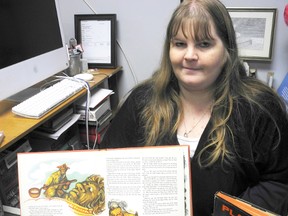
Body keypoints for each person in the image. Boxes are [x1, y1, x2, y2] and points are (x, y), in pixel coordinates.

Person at [100, 0, 288, 215]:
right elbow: (108, 167)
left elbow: (279, 182)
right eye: (180, 44)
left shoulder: (259, 108)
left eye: (204, 44)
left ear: (227, 50)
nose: (189, 55)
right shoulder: (141, 102)